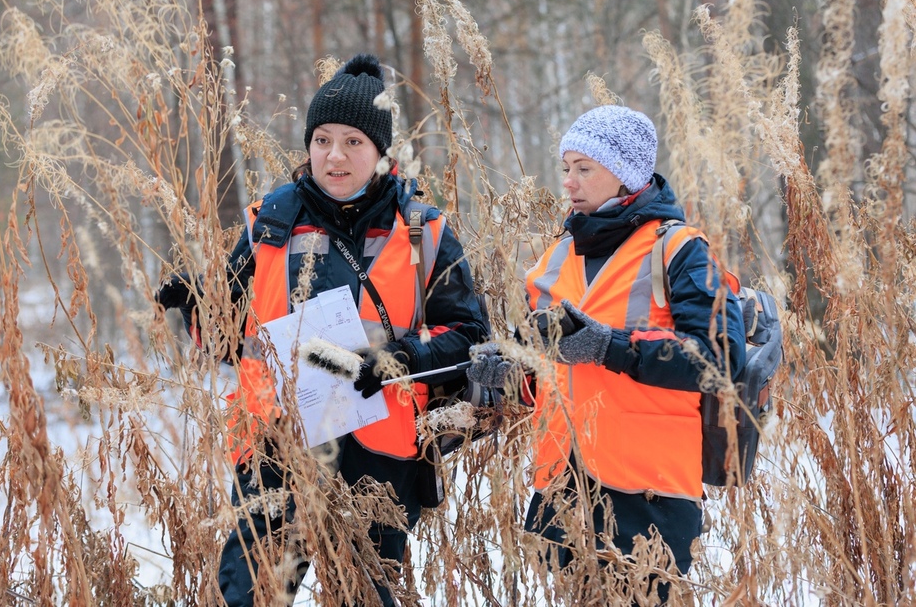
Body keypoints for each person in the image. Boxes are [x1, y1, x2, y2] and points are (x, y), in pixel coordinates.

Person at [158, 54, 487, 606]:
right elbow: (231, 343)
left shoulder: (423, 232)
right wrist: (194, 307)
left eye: (353, 141)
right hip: (275, 448)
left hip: (378, 459)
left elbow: (469, 336)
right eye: (322, 139)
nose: (334, 155)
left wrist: (399, 360)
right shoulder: (269, 222)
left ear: (381, 153)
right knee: (250, 596)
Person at [467, 105, 746, 603]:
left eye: (585, 168)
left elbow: (719, 361)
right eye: (566, 168)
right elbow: (541, 367)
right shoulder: (554, 259)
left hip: (649, 493)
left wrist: (609, 347)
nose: (569, 182)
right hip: (562, 484)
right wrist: (505, 373)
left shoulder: (680, 250)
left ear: (625, 173)